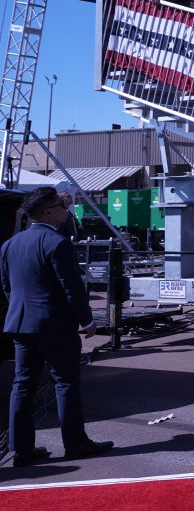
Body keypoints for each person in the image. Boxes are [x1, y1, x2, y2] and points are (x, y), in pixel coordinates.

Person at [1, 187, 114, 465]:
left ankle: (22, 449)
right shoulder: (57, 243)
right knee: (66, 383)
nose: (67, 210)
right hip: (54, 325)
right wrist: (87, 320)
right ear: (47, 212)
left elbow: (7, 287)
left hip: (20, 323)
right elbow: (71, 288)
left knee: (22, 386)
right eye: (61, 206)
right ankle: (75, 443)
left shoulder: (10, 244)